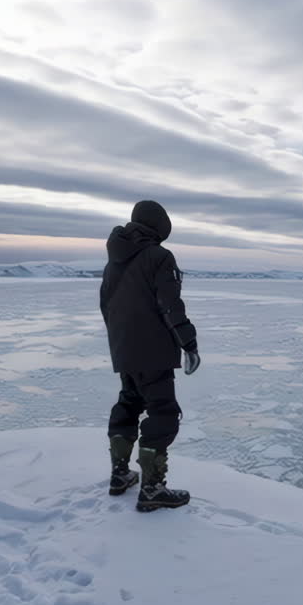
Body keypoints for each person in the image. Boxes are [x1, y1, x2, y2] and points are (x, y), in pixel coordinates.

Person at [100, 200, 201, 512]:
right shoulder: (159, 256)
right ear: (159, 225)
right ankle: (153, 488)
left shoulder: (114, 261)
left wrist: (122, 341)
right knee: (163, 412)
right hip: (154, 350)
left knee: (129, 403)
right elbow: (170, 304)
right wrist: (188, 343)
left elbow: (106, 306)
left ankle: (120, 475)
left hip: (124, 347)